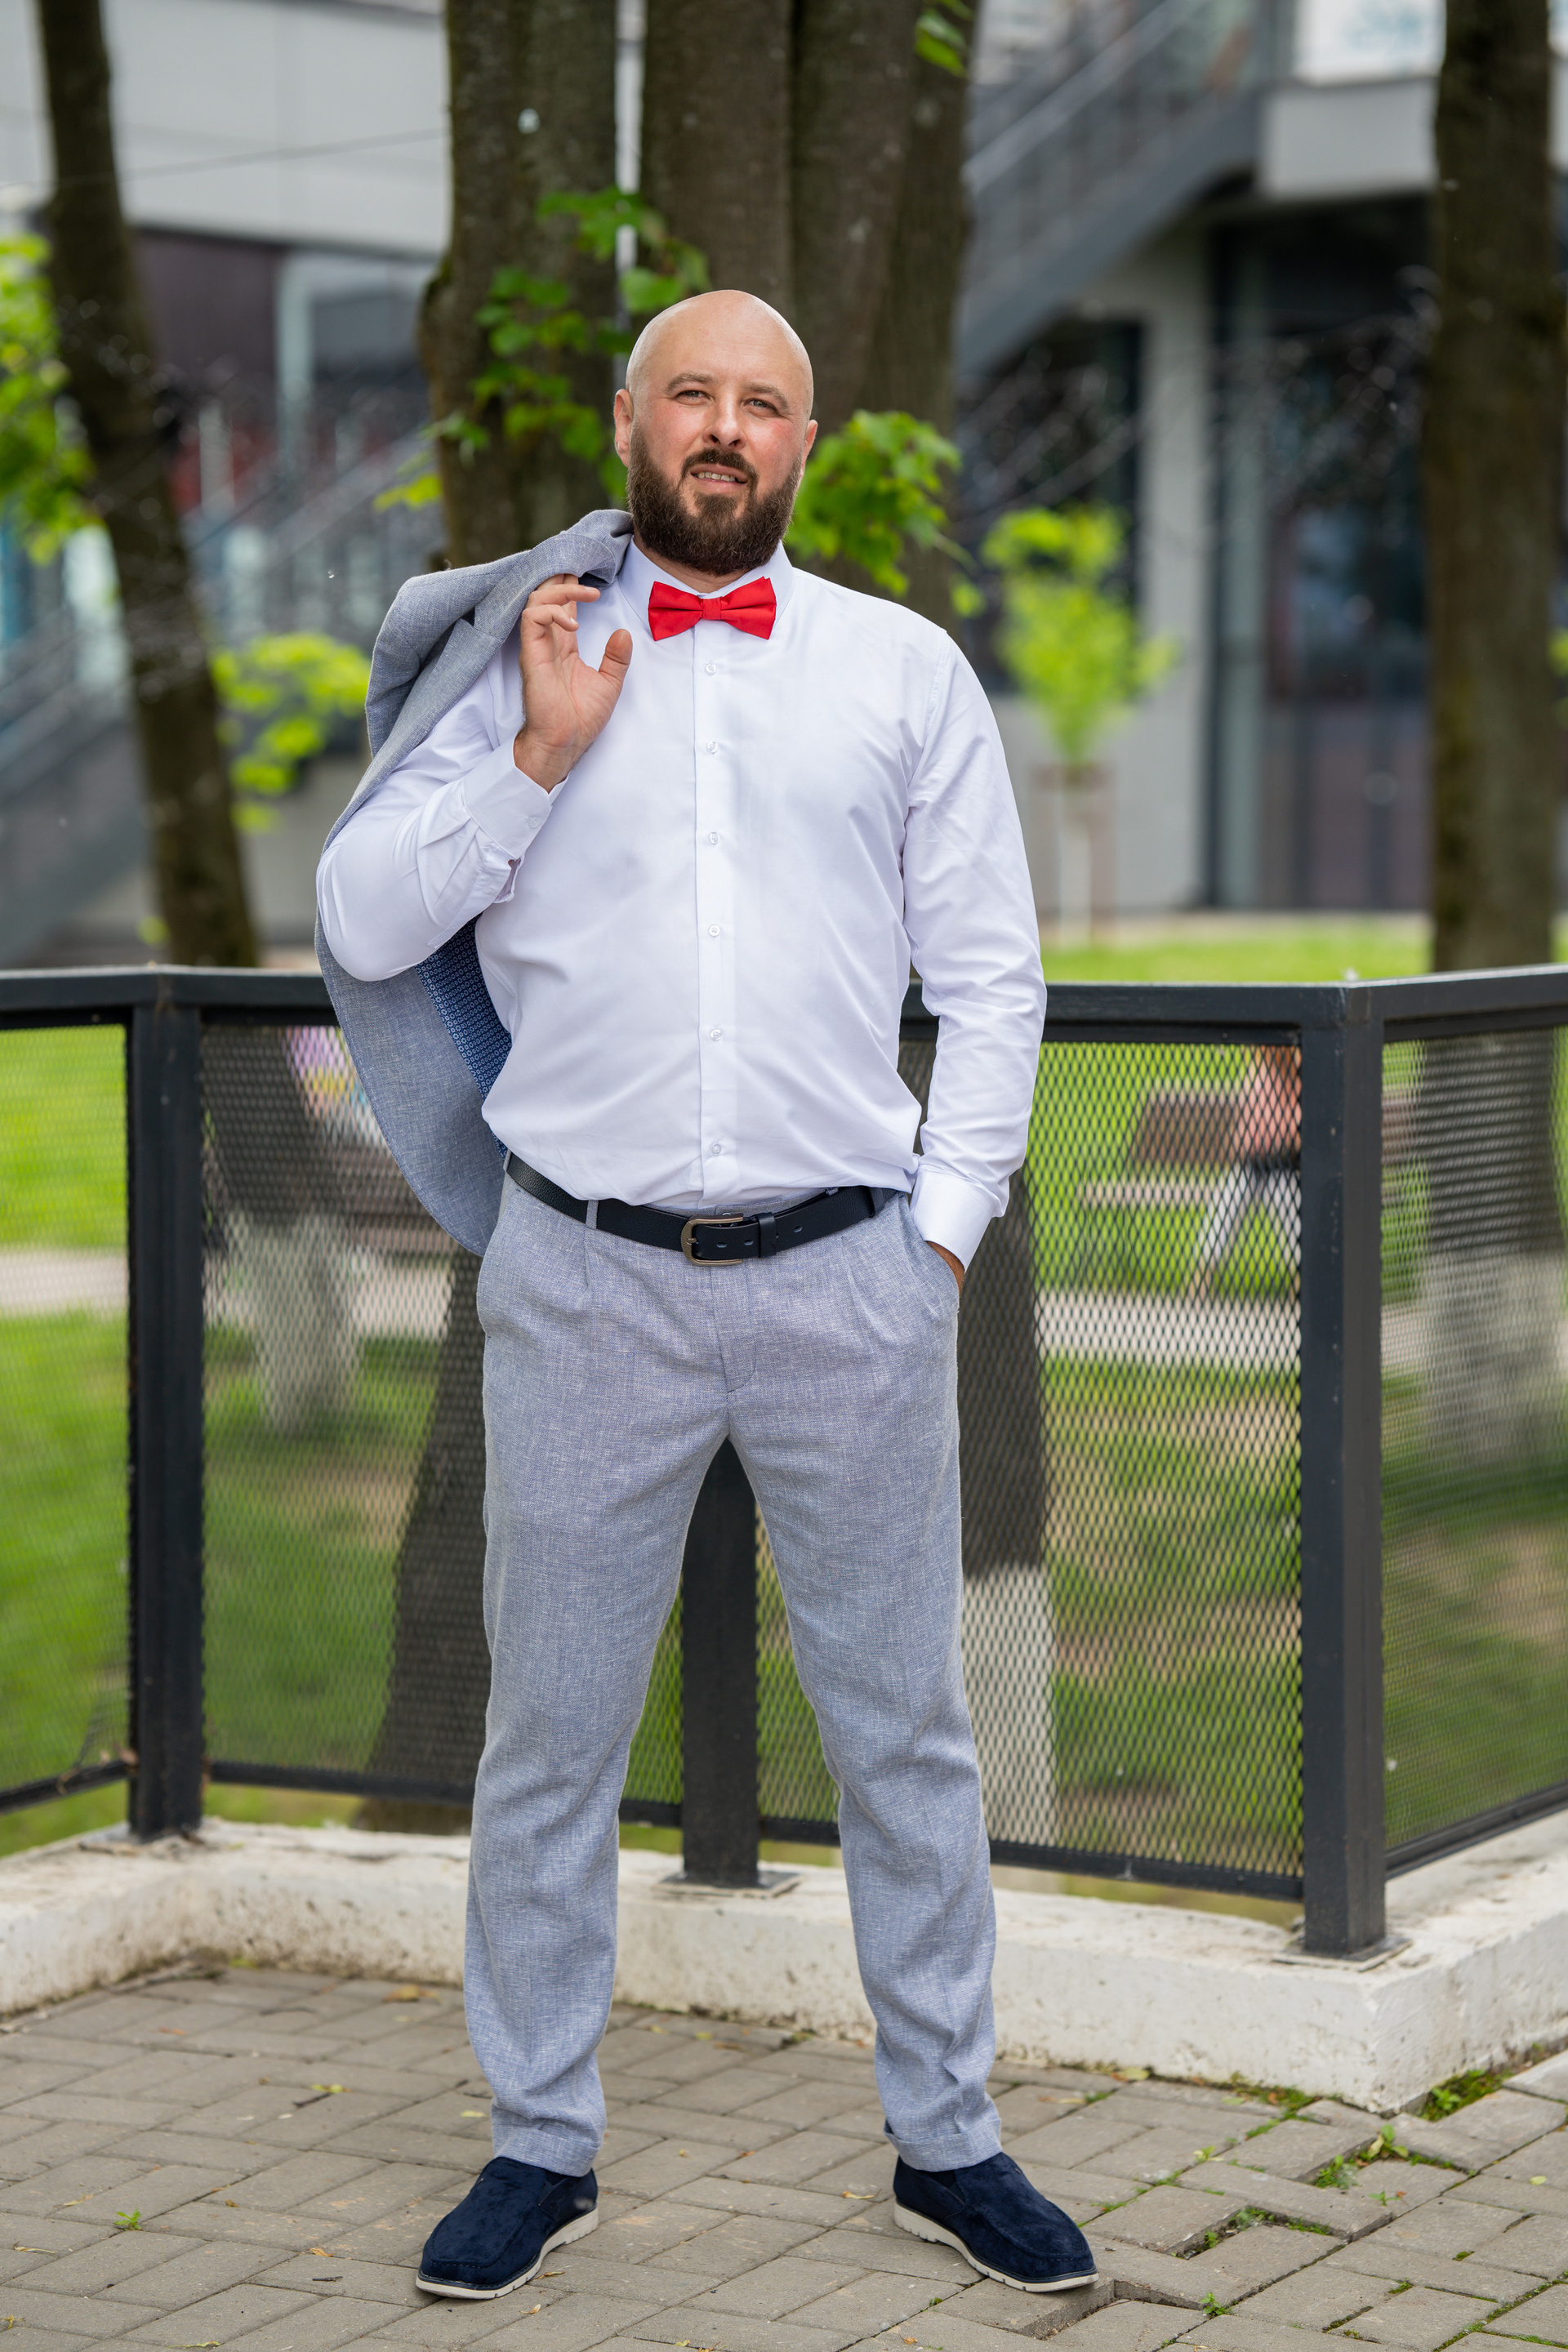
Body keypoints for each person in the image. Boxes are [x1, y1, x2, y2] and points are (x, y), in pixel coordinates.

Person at [316, 289, 1085, 2307]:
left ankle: (950, 2138)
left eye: (763, 403)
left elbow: (991, 977)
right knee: (551, 1737)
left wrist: (940, 1233)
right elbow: (363, 916)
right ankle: (536, 2141)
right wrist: (537, 761)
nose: (726, 428)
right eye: (692, 396)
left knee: (904, 1733)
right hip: (583, 1280)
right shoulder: (526, 656)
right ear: (631, 423)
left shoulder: (901, 670)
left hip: (849, 1279)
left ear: (805, 444)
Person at [1191, 1045, 1301, 1296]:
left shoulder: (1294, 1078)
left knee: (1294, 1217)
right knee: (1225, 1209)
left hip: (1279, 1167)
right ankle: (1203, 1273)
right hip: (1250, 1164)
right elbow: (1247, 1122)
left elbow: (1294, 1126)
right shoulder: (1257, 1073)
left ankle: (1301, 1277)